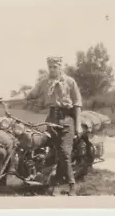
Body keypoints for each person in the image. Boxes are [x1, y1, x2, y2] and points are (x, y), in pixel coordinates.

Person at [26, 56, 82, 196]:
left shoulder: (69, 81)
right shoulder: (44, 83)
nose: (52, 69)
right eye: (50, 67)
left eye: (54, 67)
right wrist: (6, 100)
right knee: (58, 153)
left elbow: (77, 103)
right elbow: (29, 95)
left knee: (64, 152)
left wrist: (78, 125)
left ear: (60, 67)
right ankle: (56, 183)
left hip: (67, 119)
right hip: (51, 120)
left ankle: (71, 184)